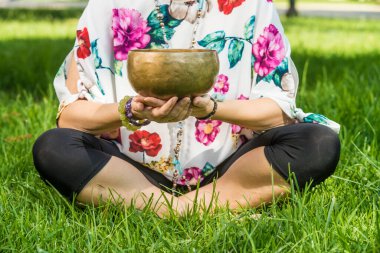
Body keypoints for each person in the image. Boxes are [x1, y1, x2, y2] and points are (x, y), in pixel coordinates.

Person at [32, 0, 341, 216]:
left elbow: (279, 112)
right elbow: (70, 118)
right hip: (127, 166)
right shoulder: (106, 4)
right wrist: (130, 112)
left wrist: (211, 109)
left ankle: (179, 207)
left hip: (230, 165)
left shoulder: (253, 4)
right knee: (53, 147)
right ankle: (176, 207)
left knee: (318, 143)